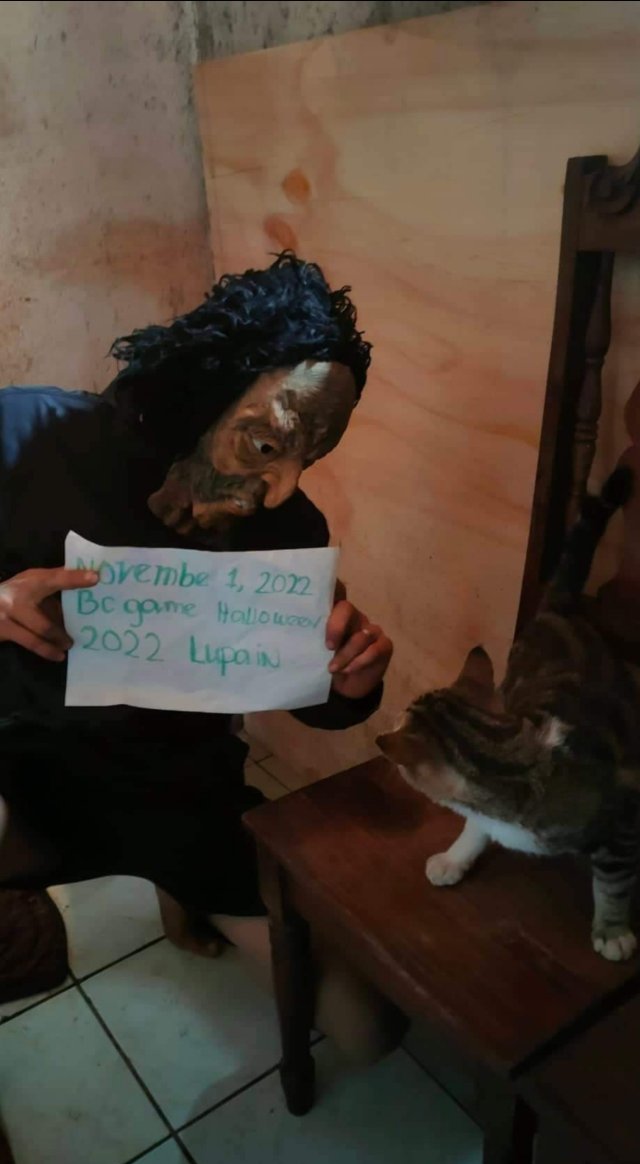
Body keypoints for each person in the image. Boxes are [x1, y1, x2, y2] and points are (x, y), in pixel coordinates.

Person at [0, 252, 404, 1069]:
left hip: (170, 787)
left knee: (368, 1032)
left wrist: (351, 684)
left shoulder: (289, 531)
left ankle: (176, 884)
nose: (280, 488)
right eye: (265, 443)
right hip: (17, 764)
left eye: (306, 458)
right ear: (201, 393)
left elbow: (309, 698)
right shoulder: (29, 435)